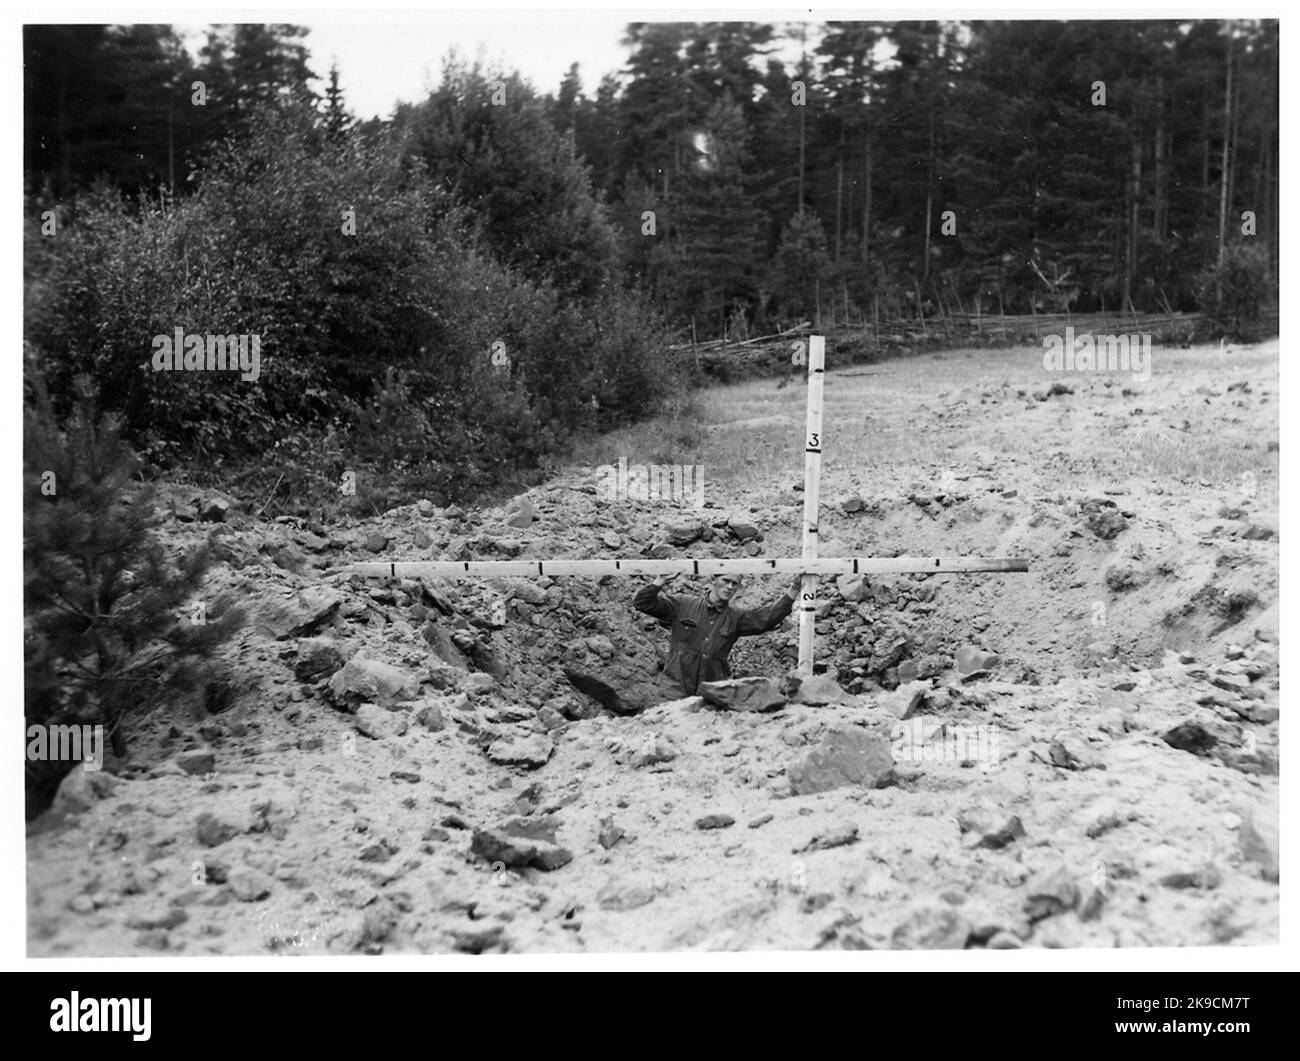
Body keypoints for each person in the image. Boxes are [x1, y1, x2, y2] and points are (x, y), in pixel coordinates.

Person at [632, 571, 804, 697]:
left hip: (712, 691)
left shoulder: (736, 617)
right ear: (713, 580)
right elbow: (642, 603)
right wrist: (660, 581)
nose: (730, 587)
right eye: (726, 580)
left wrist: (794, 589)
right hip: (675, 689)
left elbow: (767, 618)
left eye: (734, 584)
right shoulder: (683, 604)